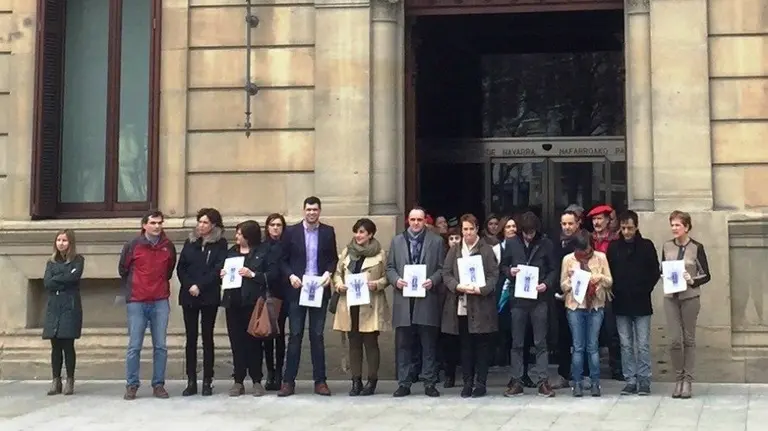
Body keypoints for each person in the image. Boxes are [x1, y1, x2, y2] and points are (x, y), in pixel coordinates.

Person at [278, 196, 339, 397]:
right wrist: (291, 276)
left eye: (315, 210)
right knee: (295, 335)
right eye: (308, 209)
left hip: (319, 288)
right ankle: (288, 382)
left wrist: (329, 274)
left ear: (319, 211)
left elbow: (333, 259)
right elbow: (282, 260)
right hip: (298, 289)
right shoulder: (291, 232)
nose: (312, 213)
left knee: (317, 336)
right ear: (303, 210)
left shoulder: (328, 232)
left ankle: (320, 381)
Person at [387, 207, 446, 397]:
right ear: (408, 221)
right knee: (403, 344)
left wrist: (433, 280)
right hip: (404, 299)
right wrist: (396, 280)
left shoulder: (436, 241)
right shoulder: (397, 241)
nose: (415, 223)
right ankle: (404, 382)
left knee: (428, 343)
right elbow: (389, 267)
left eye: (419, 220)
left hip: (426, 298)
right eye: (412, 220)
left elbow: (442, 268)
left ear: (424, 221)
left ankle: (429, 381)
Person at [119, 210, 177, 400]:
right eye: (153, 223)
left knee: (160, 346)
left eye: (160, 223)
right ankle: (132, 384)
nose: (157, 226)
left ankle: (158, 384)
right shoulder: (132, 245)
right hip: (137, 300)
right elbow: (123, 269)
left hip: (160, 300)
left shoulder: (168, 246)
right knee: (134, 346)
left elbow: (169, 271)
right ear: (144, 225)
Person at [441, 214, 498, 398]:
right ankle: (467, 382)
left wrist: (481, 289)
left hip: (481, 304)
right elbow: (446, 272)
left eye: (470, 229)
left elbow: (493, 276)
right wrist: (456, 286)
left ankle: (480, 383)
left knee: (481, 345)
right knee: (465, 345)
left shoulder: (487, 250)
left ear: (476, 229)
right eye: (464, 229)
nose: (467, 233)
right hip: (461, 303)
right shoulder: (455, 250)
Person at [332, 218, 390, 396]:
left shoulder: (379, 254)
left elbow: (389, 276)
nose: (358, 235)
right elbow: (337, 273)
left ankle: (371, 381)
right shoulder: (346, 253)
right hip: (350, 304)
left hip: (370, 304)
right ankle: (355, 381)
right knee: (354, 343)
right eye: (356, 231)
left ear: (370, 234)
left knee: (371, 343)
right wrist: (339, 284)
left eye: (362, 232)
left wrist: (377, 284)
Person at [502, 211, 558, 397]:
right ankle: (517, 380)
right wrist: (511, 271)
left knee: (540, 341)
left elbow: (553, 269)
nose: (529, 236)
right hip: (518, 299)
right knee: (517, 342)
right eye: (526, 233)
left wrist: (546, 284)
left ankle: (543, 381)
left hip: (538, 299)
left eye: (532, 232)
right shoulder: (511, 243)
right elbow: (502, 266)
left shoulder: (546, 244)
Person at [607, 210, 660, 396]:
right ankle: (630, 379)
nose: (627, 232)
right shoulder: (613, 248)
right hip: (621, 301)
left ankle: (644, 379)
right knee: (626, 344)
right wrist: (613, 290)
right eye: (623, 228)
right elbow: (609, 272)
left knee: (643, 343)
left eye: (630, 228)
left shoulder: (646, 246)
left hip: (641, 301)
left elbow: (655, 271)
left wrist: (645, 289)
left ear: (636, 227)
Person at [176, 208, 228, 396]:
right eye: (200, 222)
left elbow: (218, 268)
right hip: (189, 295)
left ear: (213, 224)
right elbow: (181, 267)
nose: (201, 225)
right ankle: (191, 380)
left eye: (205, 222)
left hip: (209, 295)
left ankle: (207, 380)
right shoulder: (190, 241)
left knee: (207, 337)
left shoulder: (220, 244)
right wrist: (190, 285)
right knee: (191, 338)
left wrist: (201, 285)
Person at [221, 220, 276, 397]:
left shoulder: (263, 252)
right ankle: (238, 380)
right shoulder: (231, 252)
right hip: (233, 302)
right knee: (236, 342)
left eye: (239, 233)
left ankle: (256, 380)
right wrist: (222, 274)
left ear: (248, 236)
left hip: (253, 304)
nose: (236, 236)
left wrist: (252, 274)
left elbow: (272, 275)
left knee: (254, 342)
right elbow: (223, 272)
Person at [661, 210, 710, 399]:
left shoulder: (697, 247)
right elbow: (664, 265)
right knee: (674, 340)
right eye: (672, 225)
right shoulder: (666, 246)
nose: (674, 228)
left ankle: (688, 381)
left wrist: (693, 280)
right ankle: (678, 378)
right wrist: (663, 274)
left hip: (690, 297)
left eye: (677, 225)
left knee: (689, 339)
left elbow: (706, 274)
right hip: (671, 297)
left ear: (687, 227)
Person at [560, 234, 613, 397]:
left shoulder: (600, 257)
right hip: (575, 306)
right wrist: (571, 280)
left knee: (592, 346)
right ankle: (577, 383)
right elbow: (562, 286)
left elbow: (610, 281)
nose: (584, 252)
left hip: (595, 305)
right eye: (581, 250)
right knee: (578, 346)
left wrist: (600, 277)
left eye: (587, 249)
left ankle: (595, 382)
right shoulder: (568, 259)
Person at [43, 229, 84, 396]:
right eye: (59, 240)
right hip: (54, 305)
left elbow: (73, 278)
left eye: (64, 240)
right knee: (55, 345)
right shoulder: (50, 262)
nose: (61, 243)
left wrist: (57, 278)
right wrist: (61, 278)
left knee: (67, 344)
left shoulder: (78, 260)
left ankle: (70, 380)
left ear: (70, 243)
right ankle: (55, 380)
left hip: (70, 304)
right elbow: (47, 282)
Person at [586, 204, 622, 380]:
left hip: (607, 289)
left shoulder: (615, 240)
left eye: (600, 219)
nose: (596, 222)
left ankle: (616, 367)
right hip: (589, 289)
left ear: (608, 220)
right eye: (594, 219)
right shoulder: (589, 240)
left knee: (611, 329)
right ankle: (588, 367)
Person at [263, 213, 289, 391]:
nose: (275, 228)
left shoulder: (288, 246)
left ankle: (279, 372)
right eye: (272, 225)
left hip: (285, 294)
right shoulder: (262, 247)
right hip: (267, 294)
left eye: (279, 225)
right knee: (267, 335)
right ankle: (270, 372)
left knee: (280, 336)